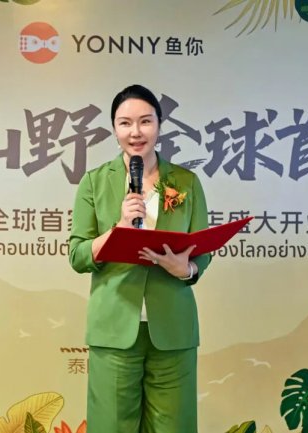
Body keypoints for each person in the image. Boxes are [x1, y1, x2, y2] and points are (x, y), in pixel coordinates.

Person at [68, 84, 211, 433]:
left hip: (173, 328)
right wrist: (117, 229)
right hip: (114, 327)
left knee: (174, 427)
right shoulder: (95, 182)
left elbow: (202, 252)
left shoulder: (186, 182)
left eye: (145, 121)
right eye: (125, 123)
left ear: (159, 125)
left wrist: (186, 269)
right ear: (114, 128)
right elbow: (78, 254)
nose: (136, 132)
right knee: (111, 426)